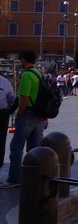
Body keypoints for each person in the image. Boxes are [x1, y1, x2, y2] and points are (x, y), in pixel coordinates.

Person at [3, 51, 47, 188]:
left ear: (23, 59)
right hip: (38, 114)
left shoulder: (27, 75)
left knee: (16, 147)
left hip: (27, 113)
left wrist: (19, 113)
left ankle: (14, 179)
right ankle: (35, 176)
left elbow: (24, 98)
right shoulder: (38, 73)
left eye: (20, 59)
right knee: (34, 147)